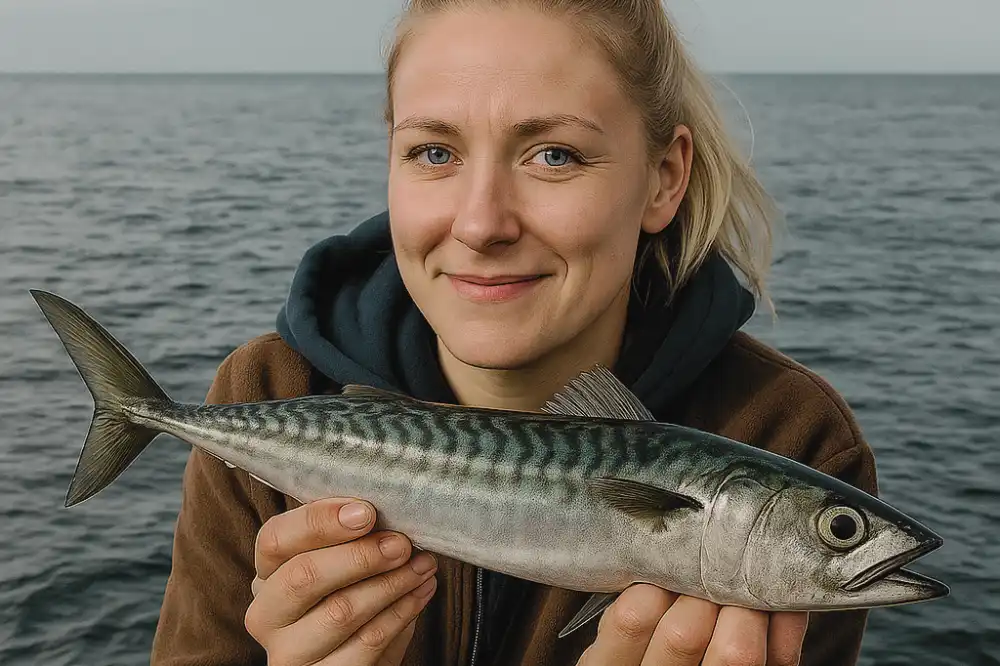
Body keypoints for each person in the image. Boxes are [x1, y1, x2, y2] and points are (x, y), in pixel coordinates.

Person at [149, 1, 879, 665]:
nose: (480, 224)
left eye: (554, 154)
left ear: (664, 177)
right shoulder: (270, 391)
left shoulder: (788, 435)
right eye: (434, 152)